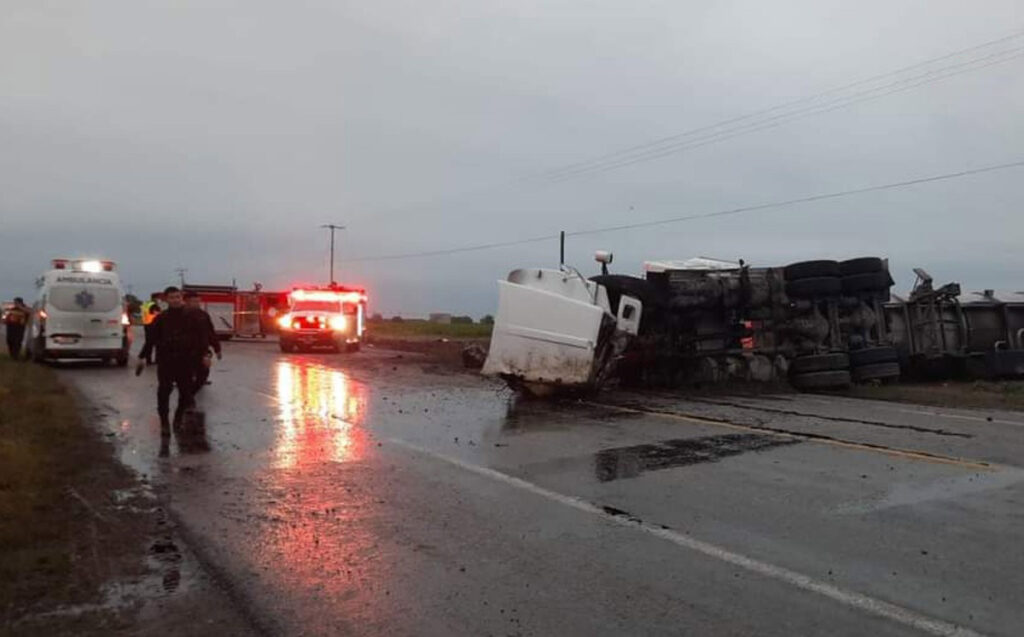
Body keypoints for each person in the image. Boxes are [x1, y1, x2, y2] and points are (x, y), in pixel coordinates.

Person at [138, 286, 207, 437]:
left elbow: (202, 337)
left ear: (181, 298)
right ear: (166, 299)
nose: (175, 300)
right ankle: (164, 423)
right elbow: (150, 340)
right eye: (172, 298)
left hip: (185, 361)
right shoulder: (161, 318)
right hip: (166, 361)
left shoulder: (192, 316)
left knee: (185, 392)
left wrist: (205, 355)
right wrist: (142, 357)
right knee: (164, 391)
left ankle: (177, 418)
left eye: (177, 297)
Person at [183, 291, 221, 392]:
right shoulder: (180, 315)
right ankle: (189, 400)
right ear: (186, 302)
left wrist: (217, 348)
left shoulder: (203, 315)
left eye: (198, 301)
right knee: (186, 377)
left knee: (203, 374)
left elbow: (211, 332)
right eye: (194, 301)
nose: (197, 304)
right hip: (185, 352)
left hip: (201, 350)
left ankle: (192, 392)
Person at [141, 293, 162, 364]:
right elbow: (156, 313)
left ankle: (148, 359)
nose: (159, 300)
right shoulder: (153, 305)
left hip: (146, 324)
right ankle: (156, 360)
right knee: (156, 343)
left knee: (149, 342)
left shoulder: (146, 304)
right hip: (153, 325)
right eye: (158, 298)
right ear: (155, 298)